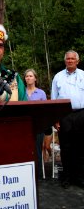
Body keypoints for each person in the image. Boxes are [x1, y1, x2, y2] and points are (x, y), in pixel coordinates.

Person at [51, 50, 84, 188]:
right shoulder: (58, 77)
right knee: (65, 148)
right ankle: (67, 178)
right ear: (65, 61)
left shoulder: (83, 75)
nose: (70, 61)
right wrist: (55, 118)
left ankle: (80, 177)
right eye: (68, 59)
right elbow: (53, 98)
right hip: (64, 115)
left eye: (72, 59)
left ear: (77, 61)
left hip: (81, 114)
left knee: (81, 147)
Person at [24, 68, 47, 178]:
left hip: (38, 126)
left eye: (30, 76)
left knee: (37, 150)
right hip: (24, 126)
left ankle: (37, 176)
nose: (28, 78)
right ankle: (26, 175)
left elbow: (45, 111)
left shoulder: (41, 93)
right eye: (27, 76)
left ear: (35, 78)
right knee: (25, 150)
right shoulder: (20, 92)